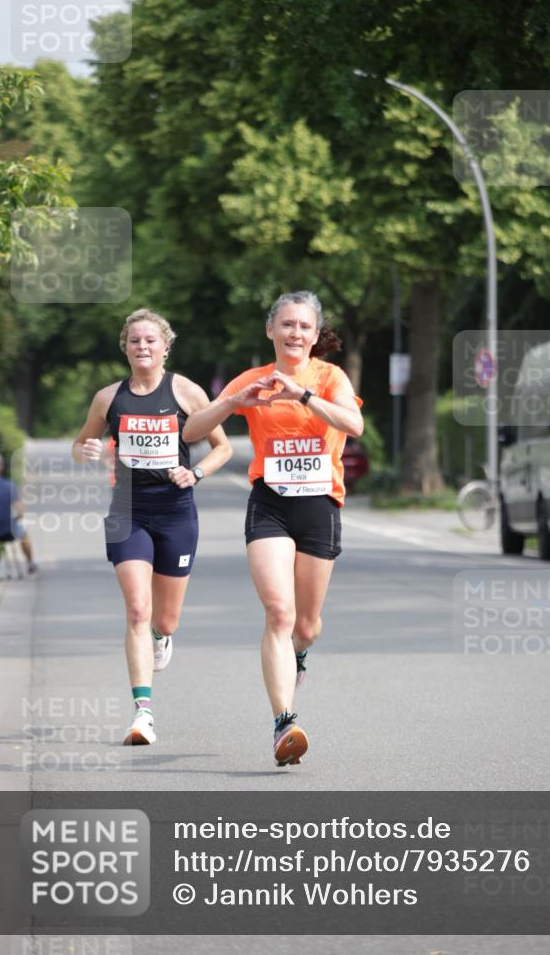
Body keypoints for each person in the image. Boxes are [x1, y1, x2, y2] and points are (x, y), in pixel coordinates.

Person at [183, 291, 363, 766]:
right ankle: (285, 721)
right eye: (286, 325)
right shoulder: (252, 379)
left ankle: (297, 656)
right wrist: (234, 401)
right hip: (270, 504)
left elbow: (354, 423)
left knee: (306, 625)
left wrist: (303, 395)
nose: (295, 334)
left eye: (304, 326)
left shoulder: (329, 376)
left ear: (315, 333)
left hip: (320, 503)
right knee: (279, 613)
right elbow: (191, 431)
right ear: (271, 330)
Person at [72, 309, 232, 746]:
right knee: (138, 610)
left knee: (165, 618)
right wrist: (84, 450)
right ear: (125, 347)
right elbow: (80, 443)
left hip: (176, 511)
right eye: (135, 341)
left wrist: (195, 473)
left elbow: (222, 447)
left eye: (150, 340)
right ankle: (143, 713)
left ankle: (162, 637)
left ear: (165, 346)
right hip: (127, 510)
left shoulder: (185, 391)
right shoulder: (108, 398)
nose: (143, 347)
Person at [0, 450, 37, 573]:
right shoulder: (9, 486)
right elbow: (21, 511)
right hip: (8, 531)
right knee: (24, 534)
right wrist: (14, 520)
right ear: (1, 468)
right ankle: (31, 564)